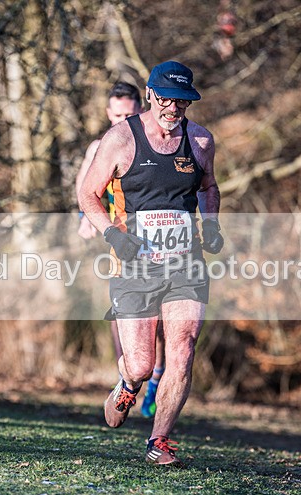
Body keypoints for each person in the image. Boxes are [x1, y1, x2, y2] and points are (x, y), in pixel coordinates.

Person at [78, 61, 223, 466]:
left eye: (181, 103)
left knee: (182, 348)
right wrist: (112, 234)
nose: (173, 110)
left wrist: (209, 225)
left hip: (185, 265)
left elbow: (209, 187)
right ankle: (127, 383)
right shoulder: (120, 139)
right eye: (166, 101)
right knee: (142, 365)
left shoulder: (200, 141)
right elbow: (88, 195)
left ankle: (159, 441)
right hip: (134, 266)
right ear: (150, 95)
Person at [74, 81, 165, 418]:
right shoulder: (101, 145)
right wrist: (85, 218)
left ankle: (154, 375)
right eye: (116, 115)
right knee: (123, 308)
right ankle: (126, 375)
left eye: (129, 114)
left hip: (160, 239)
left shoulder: (153, 143)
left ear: (140, 109)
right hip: (120, 237)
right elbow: (86, 188)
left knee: (165, 314)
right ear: (107, 113)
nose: (122, 120)